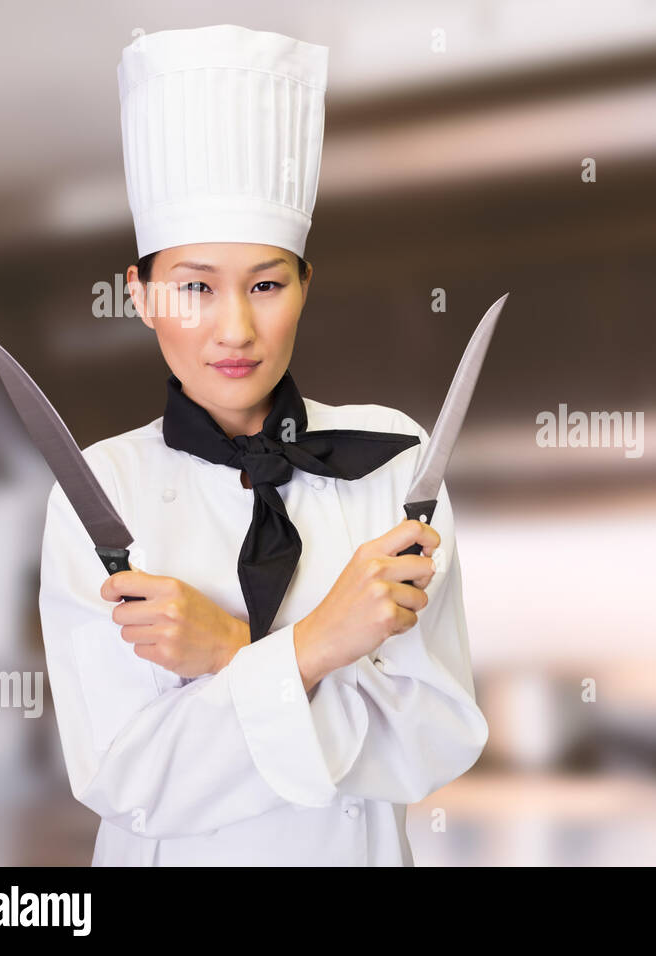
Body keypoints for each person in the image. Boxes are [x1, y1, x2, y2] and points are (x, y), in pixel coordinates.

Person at [36, 24, 488, 866]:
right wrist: (318, 648)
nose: (235, 329)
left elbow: (434, 743)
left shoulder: (397, 461)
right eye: (195, 287)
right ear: (138, 294)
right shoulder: (99, 490)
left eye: (267, 285)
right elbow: (131, 782)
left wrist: (226, 656)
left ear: (305, 287)